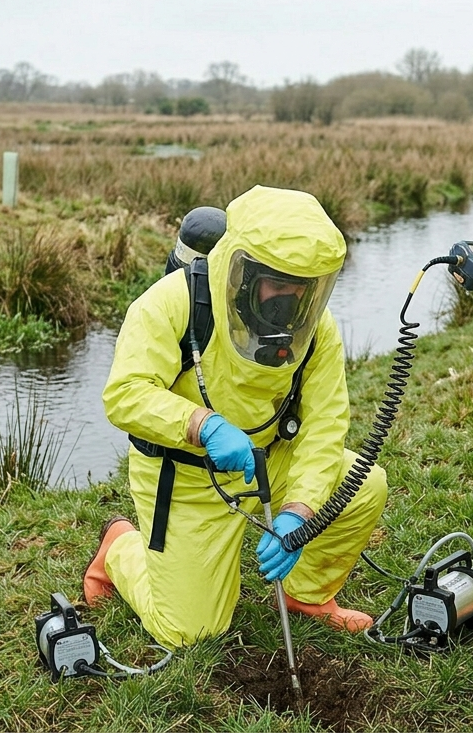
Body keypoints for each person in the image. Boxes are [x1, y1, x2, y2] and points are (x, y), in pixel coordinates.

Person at [85, 185, 389, 649]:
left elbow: (326, 426)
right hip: (189, 478)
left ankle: (305, 596)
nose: (290, 300)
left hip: (269, 463)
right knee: (189, 633)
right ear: (243, 273)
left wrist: (299, 513)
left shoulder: (314, 329)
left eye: (303, 287)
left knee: (363, 485)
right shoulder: (173, 303)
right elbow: (124, 394)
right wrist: (201, 424)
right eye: (278, 284)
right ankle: (120, 550)